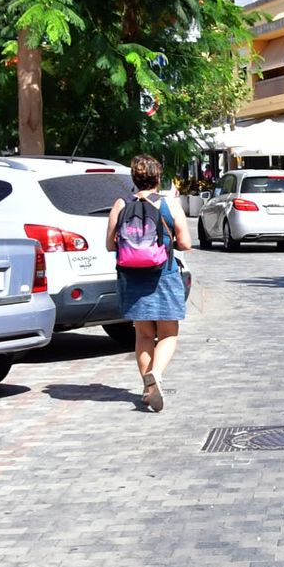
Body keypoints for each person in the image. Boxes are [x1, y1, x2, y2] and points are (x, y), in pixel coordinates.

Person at [107, 154, 191, 412]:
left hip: (132, 278)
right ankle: (156, 373)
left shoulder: (121, 204)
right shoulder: (169, 204)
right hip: (163, 276)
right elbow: (186, 243)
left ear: (134, 179)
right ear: (158, 177)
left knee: (143, 334)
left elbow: (111, 244)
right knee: (168, 334)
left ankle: (148, 390)